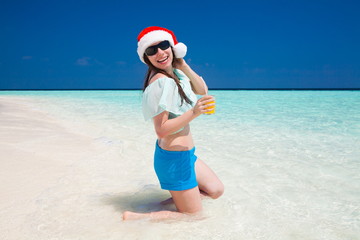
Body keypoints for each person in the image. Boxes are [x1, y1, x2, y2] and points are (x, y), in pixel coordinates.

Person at [123, 26, 224, 220]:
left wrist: (182, 65)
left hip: (187, 155)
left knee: (216, 191)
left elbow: (202, 90)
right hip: (174, 161)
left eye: (163, 46)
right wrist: (194, 112)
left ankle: (172, 202)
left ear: (173, 47)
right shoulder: (161, 82)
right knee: (194, 217)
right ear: (147, 58)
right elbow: (161, 130)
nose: (160, 53)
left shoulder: (176, 75)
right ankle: (134, 217)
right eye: (152, 50)